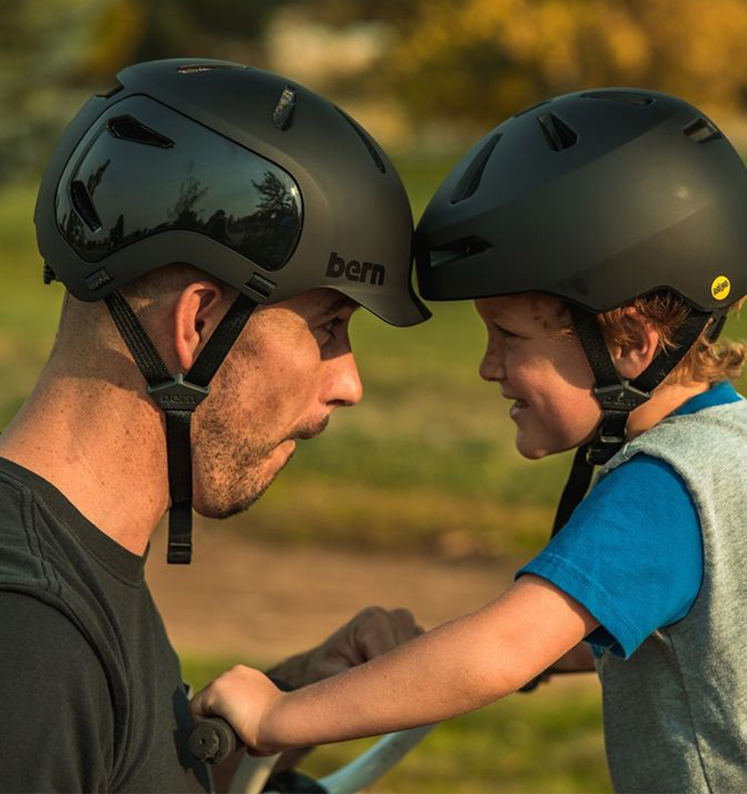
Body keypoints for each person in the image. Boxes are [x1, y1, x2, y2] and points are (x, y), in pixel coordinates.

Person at [192, 88, 747, 792]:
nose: (488, 368)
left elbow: (502, 649)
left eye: (508, 337)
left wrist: (280, 717)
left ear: (631, 342)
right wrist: (428, 667)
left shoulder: (664, 486)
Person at [0, 58, 429, 792]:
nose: (349, 383)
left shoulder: (74, 581)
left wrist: (298, 698)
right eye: (328, 328)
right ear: (195, 324)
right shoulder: (30, 642)